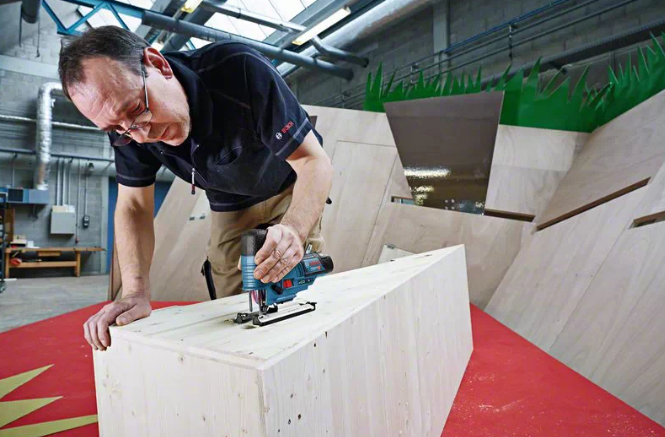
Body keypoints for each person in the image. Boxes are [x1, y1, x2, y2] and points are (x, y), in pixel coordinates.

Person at [58, 26, 332, 351]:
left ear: (158, 64)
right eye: (117, 128)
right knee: (230, 293)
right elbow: (134, 206)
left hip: (289, 181)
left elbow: (312, 161)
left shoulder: (240, 69)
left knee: (292, 274)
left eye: (136, 109)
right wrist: (134, 291)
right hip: (228, 198)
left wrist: (294, 229)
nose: (142, 135)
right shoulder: (126, 127)